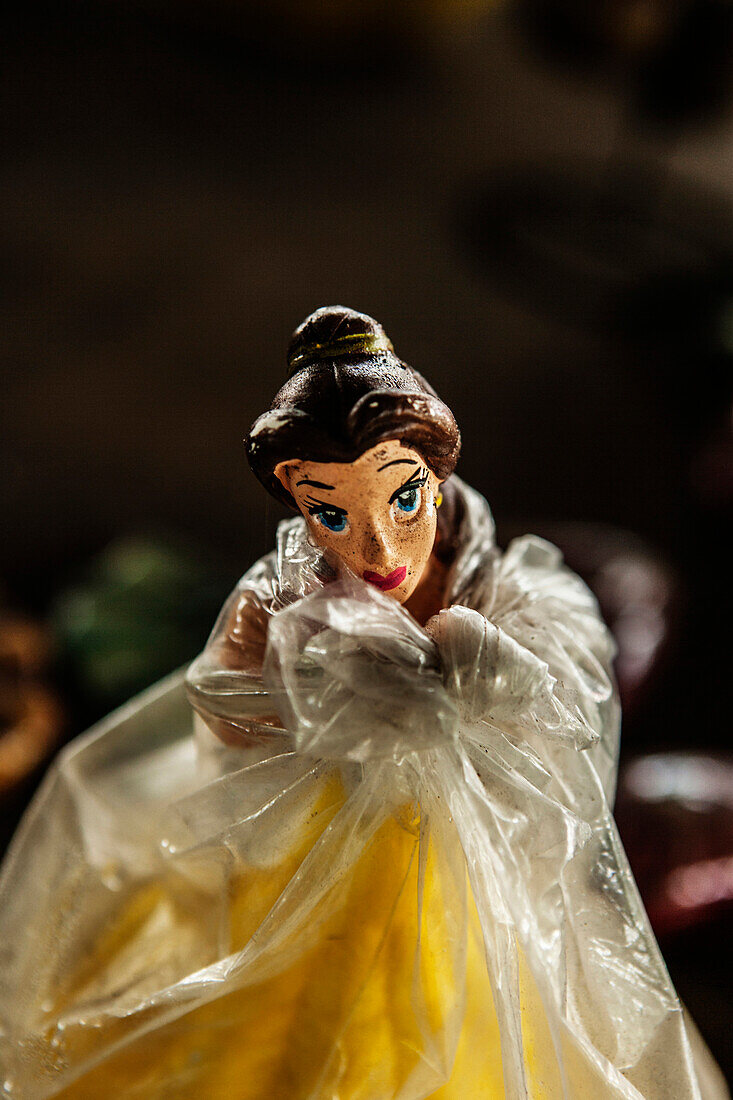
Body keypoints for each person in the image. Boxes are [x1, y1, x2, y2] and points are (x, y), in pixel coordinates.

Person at [0, 307, 726, 1099]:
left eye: (403, 501)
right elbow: (224, 710)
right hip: (313, 866)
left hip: (461, 885)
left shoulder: (521, 591)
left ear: (436, 477)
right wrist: (313, 699)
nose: (377, 549)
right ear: (294, 501)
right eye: (332, 513)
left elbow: (568, 728)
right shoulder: (278, 600)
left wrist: (489, 686)